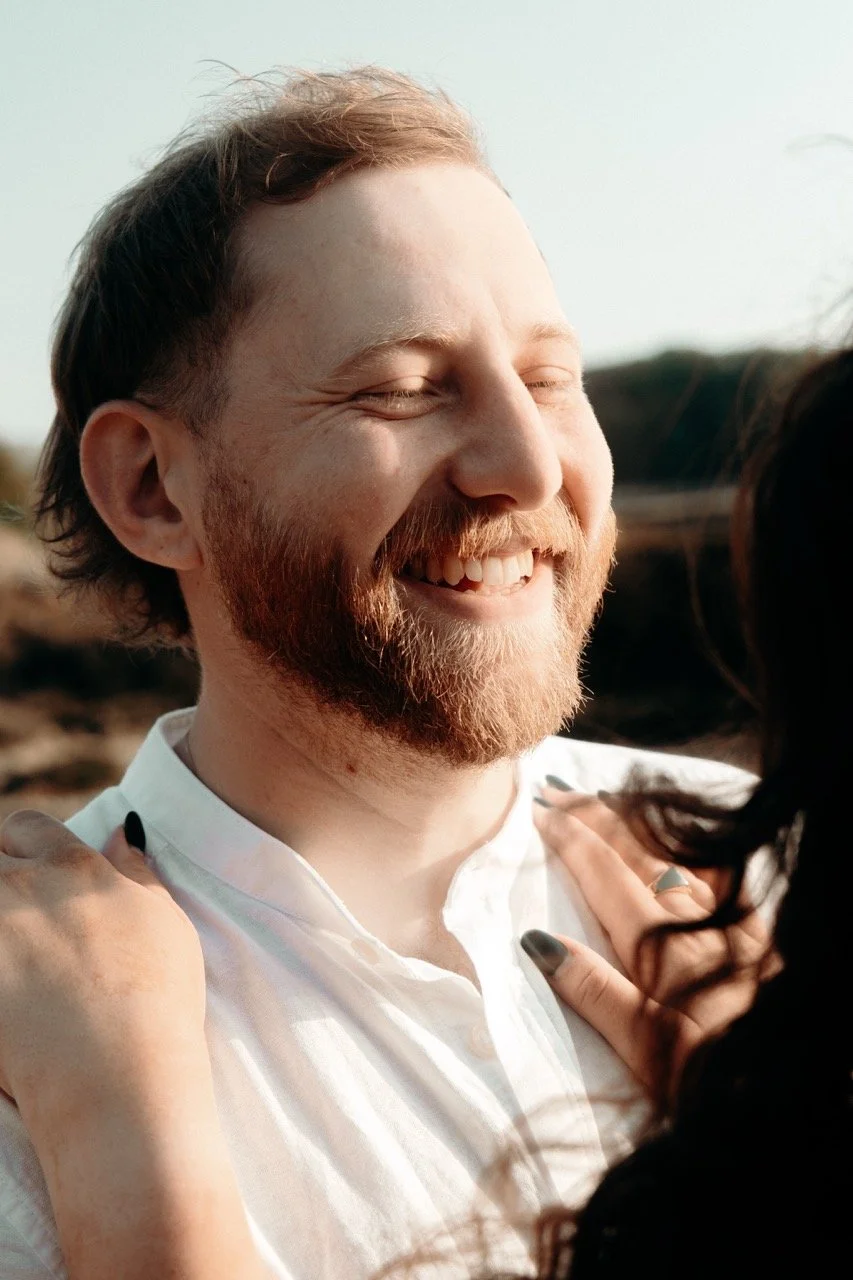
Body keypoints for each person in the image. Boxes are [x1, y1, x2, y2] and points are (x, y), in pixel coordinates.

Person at [0, 68, 749, 1279]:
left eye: (552, 377)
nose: (527, 463)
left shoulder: (765, 872)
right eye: (402, 389)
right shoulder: (32, 1065)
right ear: (150, 486)